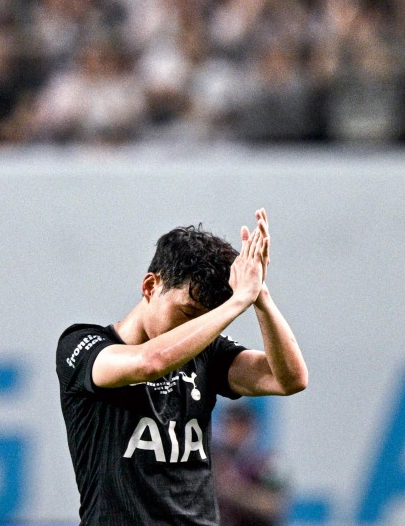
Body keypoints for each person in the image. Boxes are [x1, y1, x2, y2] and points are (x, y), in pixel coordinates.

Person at [57, 209, 307, 526]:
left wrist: (261, 297)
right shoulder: (83, 345)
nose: (198, 329)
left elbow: (288, 379)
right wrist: (235, 303)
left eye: (206, 318)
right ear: (150, 286)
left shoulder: (207, 352)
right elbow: (150, 362)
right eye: (189, 312)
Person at [214, 403, 286, 526]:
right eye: (229, 424)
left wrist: (234, 491)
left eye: (240, 425)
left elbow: (274, 506)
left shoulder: (266, 462)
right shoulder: (212, 460)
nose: (234, 431)